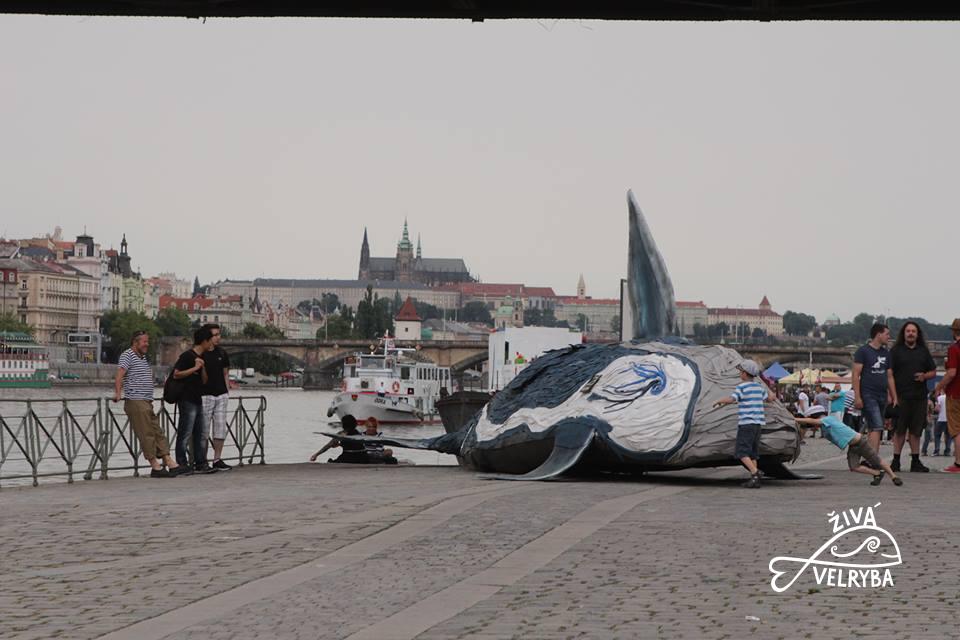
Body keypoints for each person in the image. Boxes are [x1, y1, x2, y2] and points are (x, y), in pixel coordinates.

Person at [113, 331, 185, 478]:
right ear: (135, 342)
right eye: (144, 342)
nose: (147, 344)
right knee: (146, 434)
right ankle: (155, 466)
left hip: (146, 401)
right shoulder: (127, 355)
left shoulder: (142, 357)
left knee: (157, 431)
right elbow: (119, 375)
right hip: (136, 400)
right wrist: (118, 393)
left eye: (147, 341)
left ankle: (169, 462)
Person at [795, 406, 903, 486]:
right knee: (854, 466)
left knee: (876, 460)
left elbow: (811, 421)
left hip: (860, 442)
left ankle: (894, 476)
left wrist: (794, 419)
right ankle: (877, 473)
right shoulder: (825, 425)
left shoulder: (828, 419)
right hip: (853, 446)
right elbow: (811, 424)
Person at [886, 321, 936, 472]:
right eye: (908, 331)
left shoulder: (923, 351)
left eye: (913, 331)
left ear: (917, 334)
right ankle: (896, 461)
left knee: (916, 430)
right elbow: (889, 374)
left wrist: (924, 376)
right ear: (904, 333)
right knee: (899, 430)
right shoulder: (895, 351)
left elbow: (933, 371)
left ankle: (915, 461)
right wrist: (891, 395)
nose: (910, 333)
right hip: (900, 396)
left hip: (919, 396)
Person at [713, 359, 769, 489]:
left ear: (744, 373)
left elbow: (732, 399)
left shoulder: (741, 387)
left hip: (746, 423)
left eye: (740, 372)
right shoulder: (759, 387)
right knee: (753, 453)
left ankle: (755, 472)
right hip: (758, 424)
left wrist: (719, 401)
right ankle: (754, 479)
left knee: (741, 452)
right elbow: (767, 398)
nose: (739, 374)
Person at [173, 326, 215, 473]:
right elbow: (176, 374)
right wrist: (194, 368)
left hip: (198, 399)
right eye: (210, 340)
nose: (212, 343)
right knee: (185, 433)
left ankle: (201, 463)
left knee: (200, 433)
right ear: (204, 341)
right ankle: (181, 464)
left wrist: (202, 368)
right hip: (187, 399)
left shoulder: (202, 357)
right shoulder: (187, 356)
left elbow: (204, 381)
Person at [852, 323, 892, 455]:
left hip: (882, 395)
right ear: (878, 334)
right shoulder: (863, 351)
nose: (889, 337)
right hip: (868, 394)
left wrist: (891, 394)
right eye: (887, 334)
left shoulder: (886, 353)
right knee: (876, 426)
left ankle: (869, 456)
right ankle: (873, 458)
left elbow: (888, 376)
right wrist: (857, 397)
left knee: (873, 427)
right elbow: (855, 375)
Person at [201, 323, 232, 471]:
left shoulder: (222, 353)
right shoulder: (200, 353)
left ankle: (217, 459)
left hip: (221, 395)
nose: (218, 337)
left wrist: (227, 392)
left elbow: (225, 373)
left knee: (220, 428)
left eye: (219, 334)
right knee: (204, 430)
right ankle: (202, 460)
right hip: (205, 395)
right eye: (215, 335)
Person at [932, 319, 960, 473]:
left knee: (956, 429)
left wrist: (939, 386)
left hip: (956, 394)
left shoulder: (954, 348)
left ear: (954, 331)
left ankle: (958, 463)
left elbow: (952, 373)